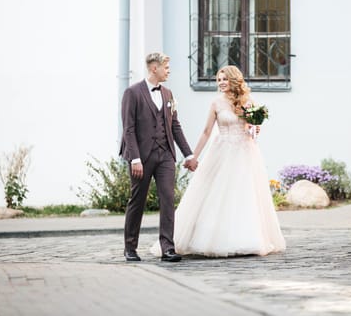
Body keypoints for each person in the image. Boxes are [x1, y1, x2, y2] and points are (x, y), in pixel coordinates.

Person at [151, 65, 286, 257]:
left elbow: (252, 127)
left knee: (245, 196)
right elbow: (206, 132)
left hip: (245, 153)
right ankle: (214, 238)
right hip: (222, 151)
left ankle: (247, 239)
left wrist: (254, 129)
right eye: (219, 80)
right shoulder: (216, 103)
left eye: (225, 79)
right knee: (217, 196)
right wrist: (193, 156)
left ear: (234, 80)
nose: (221, 83)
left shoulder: (248, 101)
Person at [120, 52, 198, 263]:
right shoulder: (132, 93)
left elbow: (175, 125)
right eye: (166, 68)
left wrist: (188, 154)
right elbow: (128, 129)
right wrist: (134, 158)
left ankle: (168, 248)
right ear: (154, 68)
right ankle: (130, 247)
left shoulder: (168, 94)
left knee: (168, 199)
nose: (168, 71)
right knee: (137, 200)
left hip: (165, 155)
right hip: (141, 157)